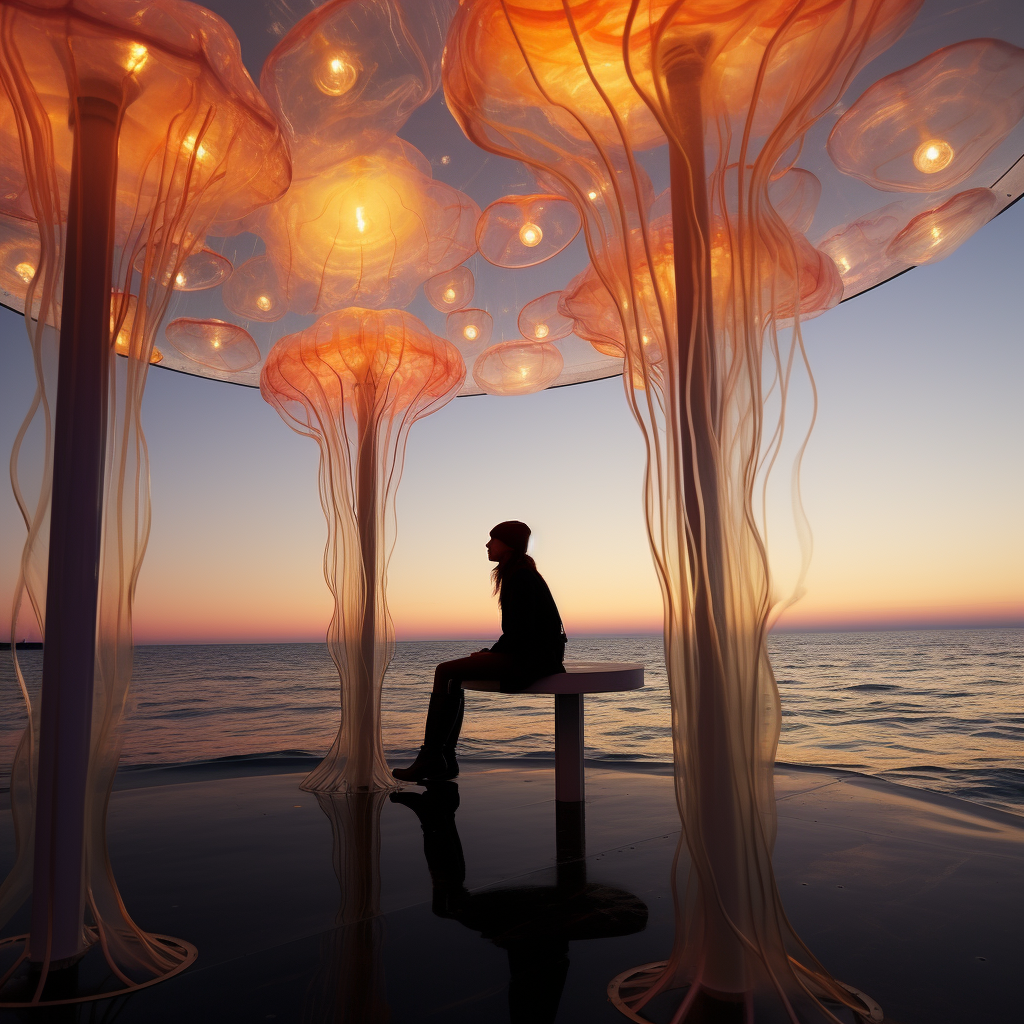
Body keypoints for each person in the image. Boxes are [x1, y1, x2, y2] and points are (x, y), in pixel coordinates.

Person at [392, 520, 566, 783]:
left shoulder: (519, 576)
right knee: (453, 675)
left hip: (534, 660)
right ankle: (444, 759)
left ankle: (434, 758)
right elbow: (521, 632)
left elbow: (523, 634)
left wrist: (494, 654)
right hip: (537, 655)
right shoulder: (519, 573)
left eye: (492, 539)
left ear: (507, 544)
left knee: (445, 671)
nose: (487, 545)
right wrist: (493, 652)